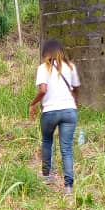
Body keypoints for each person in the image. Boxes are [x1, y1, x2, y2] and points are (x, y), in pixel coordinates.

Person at [28, 39, 80, 195]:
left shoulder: (43, 68)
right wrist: (75, 103)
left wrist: (33, 103)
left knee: (47, 142)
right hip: (69, 111)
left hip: (50, 111)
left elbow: (43, 90)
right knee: (67, 149)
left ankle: (46, 176)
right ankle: (68, 187)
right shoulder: (71, 67)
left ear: (46, 52)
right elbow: (75, 88)